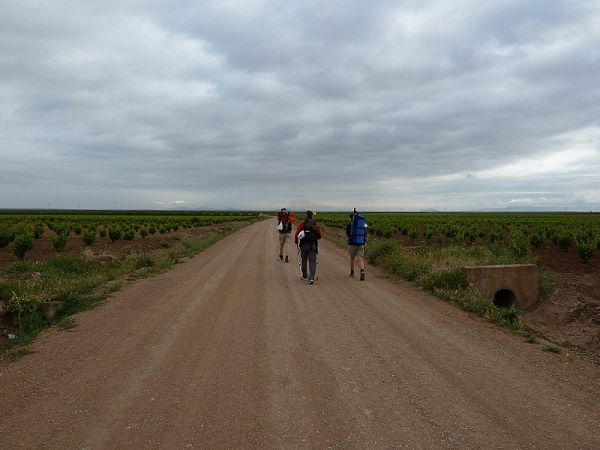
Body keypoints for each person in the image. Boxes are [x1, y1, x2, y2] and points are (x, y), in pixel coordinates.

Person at [294, 210, 322, 284]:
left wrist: (296, 242)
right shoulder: (315, 225)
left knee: (304, 260)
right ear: (312, 216)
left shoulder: (302, 224)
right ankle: (311, 277)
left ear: (306, 215)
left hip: (303, 245)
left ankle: (305, 275)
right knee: (312, 261)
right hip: (312, 245)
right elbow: (319, 236)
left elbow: (297, 234)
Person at [346, 210, 367, 281]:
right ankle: (362, 271)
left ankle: (352, 273)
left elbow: (348, 233)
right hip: (361, 244)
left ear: (351, 218)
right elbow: (365, 234)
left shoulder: (350, 225)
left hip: (352, 244)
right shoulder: (362, 224)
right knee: (360, 259)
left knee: (352, 259)